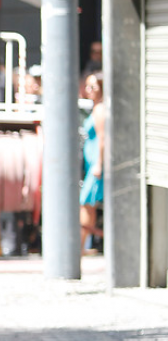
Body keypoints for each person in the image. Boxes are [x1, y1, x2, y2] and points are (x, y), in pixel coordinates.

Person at [80, 71, 105, 253]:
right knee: (89, 205)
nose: (88, 90)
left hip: (96, 164)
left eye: (93, 87)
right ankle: (83, 245)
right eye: (87, 86)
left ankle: (80, 246)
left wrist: (99, 164)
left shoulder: (100, 110)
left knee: (86, 203)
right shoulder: (96, 108)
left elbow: (103, 138)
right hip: (92, 164)